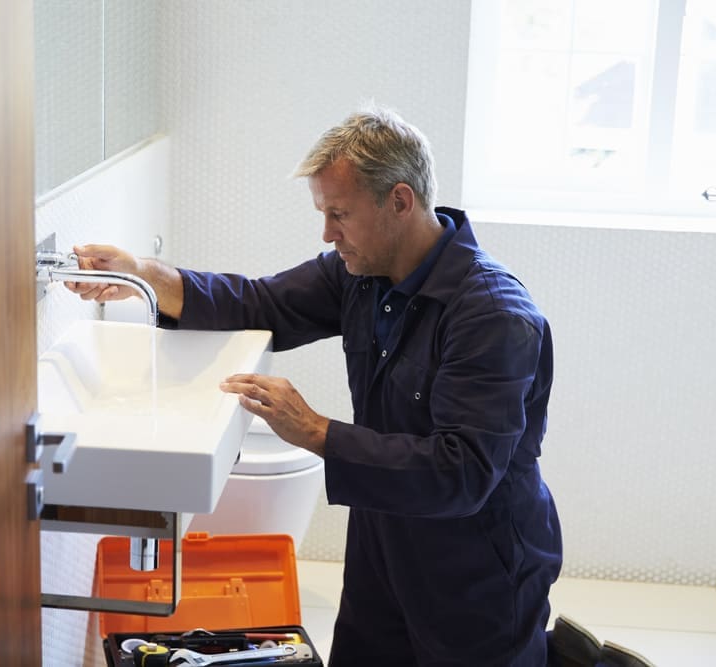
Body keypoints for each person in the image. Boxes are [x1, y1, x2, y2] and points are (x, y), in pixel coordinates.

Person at [66, 106, 563, 666]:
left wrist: (316, 431)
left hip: (478, 562)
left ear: (400, 202)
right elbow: (260, 302)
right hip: (385, 536)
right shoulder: (359, 275)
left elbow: (463, 472)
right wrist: (144, 275)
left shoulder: (492, 315)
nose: (327, 233)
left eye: (339, 214)